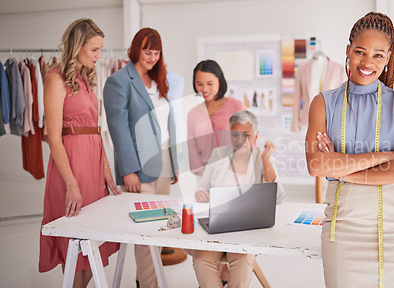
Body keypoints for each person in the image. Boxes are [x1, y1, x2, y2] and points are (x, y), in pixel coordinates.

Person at [305, 12, 394, 288]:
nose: (368, 62)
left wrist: (344, 171)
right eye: (360, 52)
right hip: (343, 229)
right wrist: (383, 157)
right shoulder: (323, 103)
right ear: (348, 51)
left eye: (378, 55)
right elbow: (317, 165)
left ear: (389, 57)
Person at [39, 18, 120, 288]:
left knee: (92, 245)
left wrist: (106, 170)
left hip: (93, 165)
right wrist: (71, 183)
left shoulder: (84, 78)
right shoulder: (55, 79)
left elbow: (94, 131)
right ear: (77, 47)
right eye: (94, 50)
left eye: (100, 50)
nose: (99, 56)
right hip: (70, 166)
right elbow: (53, 137)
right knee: (74, 246)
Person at [103, 28, 181, 288]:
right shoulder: (119, 81)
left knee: (161, 228)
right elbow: (118, 128)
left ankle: (146, 280)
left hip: (164, 162)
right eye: (147, 52)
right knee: (144, 231)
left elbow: (168, 123)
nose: (152, 57)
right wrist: (128, 170)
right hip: (138, 166)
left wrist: (175, 162)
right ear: (136, 49)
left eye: (156, 53)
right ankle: (151, 284)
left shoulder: (158, 80)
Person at [191, 110, 284, 288]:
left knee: (242, 259)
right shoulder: (218, 154)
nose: (240, 140)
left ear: (255, 135)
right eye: (235, 134)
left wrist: (266, 159)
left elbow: (277, 196)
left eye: (246, 135)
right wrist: (200, 193)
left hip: (247, 229)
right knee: (201, 260)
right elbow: (201, 186)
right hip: (216, 225)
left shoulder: (261, 159)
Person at [187, 60, 246, 179]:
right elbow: (192, 148)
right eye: (199, 84)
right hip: (204, 176)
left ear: (220, 81)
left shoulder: (237, 106)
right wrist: (204, 174)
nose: (204, 89)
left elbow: (248, 141)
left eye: (210, 84)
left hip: (234, 175)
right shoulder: (193, 113)